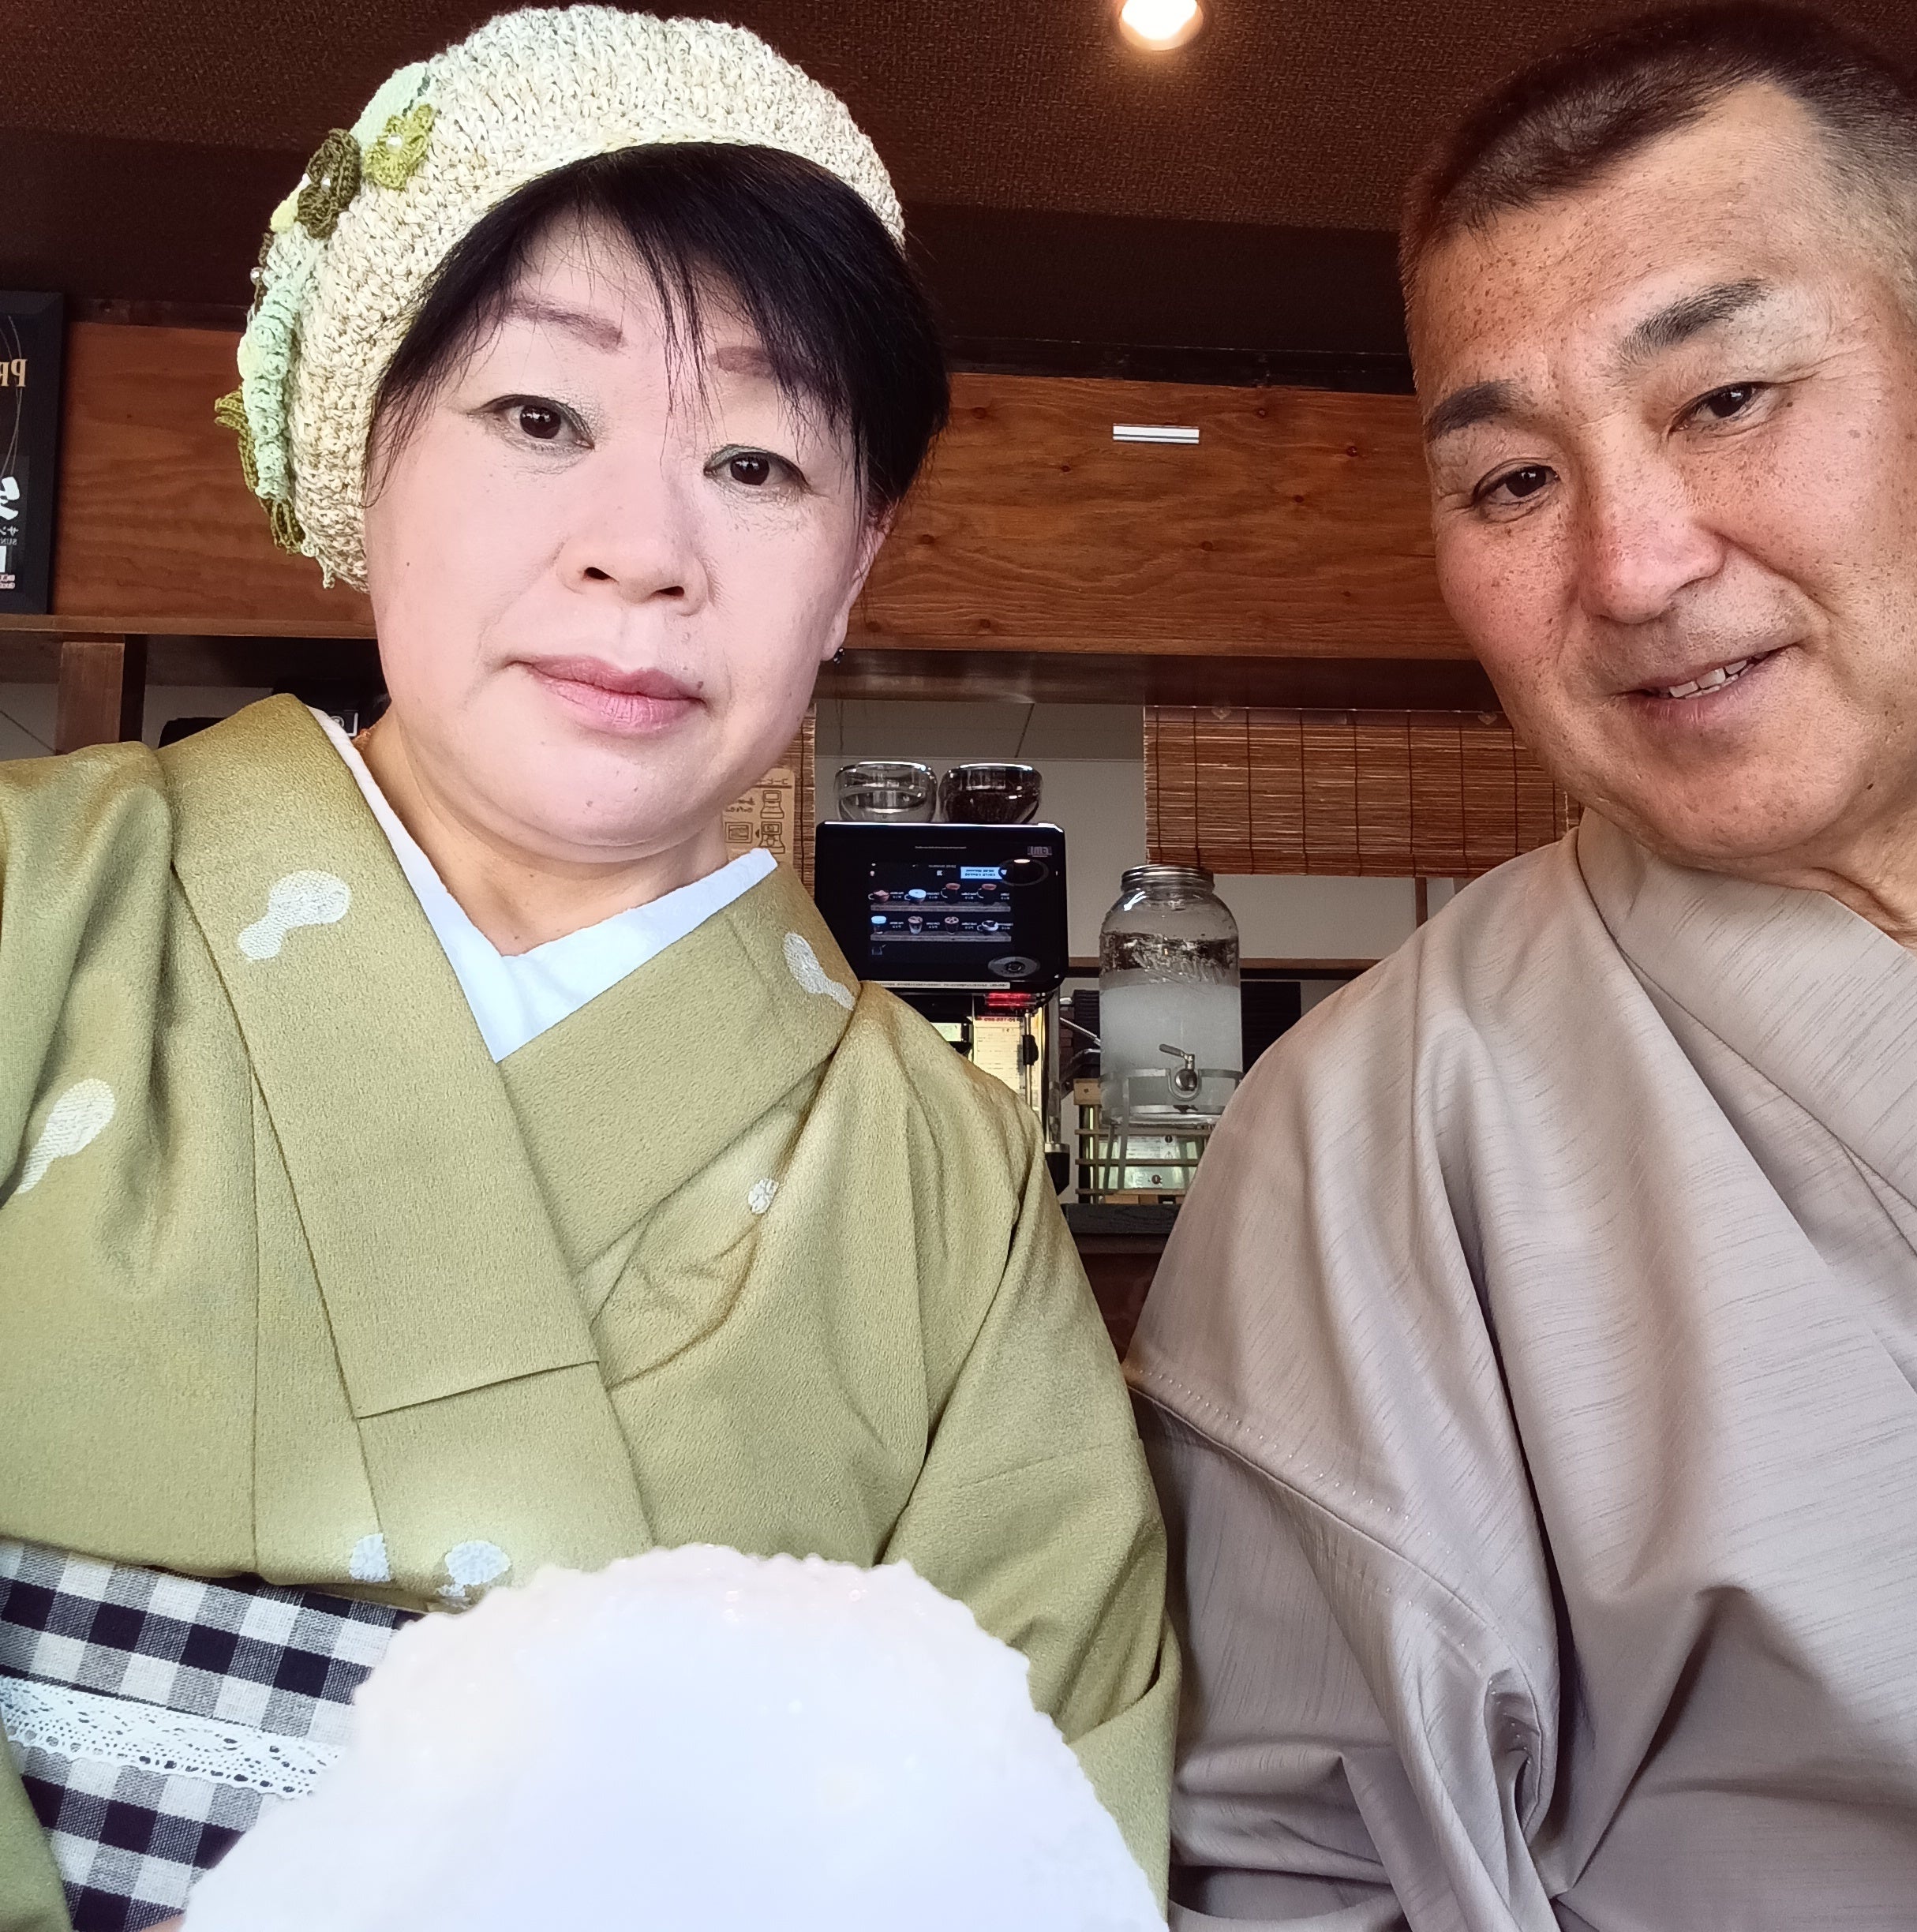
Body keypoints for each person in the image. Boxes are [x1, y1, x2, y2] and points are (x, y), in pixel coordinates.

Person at [0, 13, 1176, 1929]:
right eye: (540, 419)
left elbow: (1049, 1831)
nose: (644, 552)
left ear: (855, 564)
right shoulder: (36, 907)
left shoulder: (942, 1185)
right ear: (367, 446)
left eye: (758, 462)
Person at [1129, 6, 1917, 1927]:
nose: (1634, 566)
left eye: (1725, 397)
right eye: (1509, 483)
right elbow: (1296, 1878)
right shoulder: (1371, 1136)